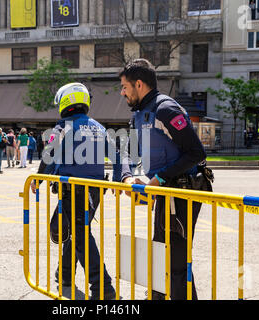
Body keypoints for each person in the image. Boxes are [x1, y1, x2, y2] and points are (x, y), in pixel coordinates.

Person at [119, 59, 211, 300]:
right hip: (165, 193)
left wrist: (159, 178)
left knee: (176, 264)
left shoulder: (165, 109)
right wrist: (128, 177)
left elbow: (196, 153)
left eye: (125, 87)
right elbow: (128, 150)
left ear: (139, 84)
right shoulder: (139, 114)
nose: (122, 92)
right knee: (160, 257)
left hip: (182, 194)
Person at [31, 82, 130, 300]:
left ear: (65, 102)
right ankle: (65, 274)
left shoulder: (64, 126)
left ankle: (102, 287)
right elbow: (119, 154)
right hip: (94, 191)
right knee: (74, 232)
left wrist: (37, 180)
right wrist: (119, 179)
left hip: (72, 190)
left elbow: (49, 154)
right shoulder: (99, 127)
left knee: (80, 235)